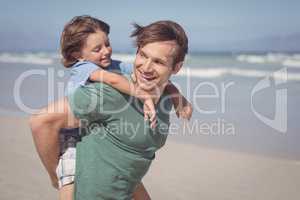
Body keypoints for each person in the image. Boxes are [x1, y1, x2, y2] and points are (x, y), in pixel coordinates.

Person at [30, 16, 192, 200]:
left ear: (176, 67)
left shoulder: (163, 98)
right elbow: (40, 121)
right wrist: (54, 176)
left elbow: (125, 160)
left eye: (158, 62)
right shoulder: (107, 92)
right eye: (143, 55)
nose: (146, 67)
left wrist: (176, 94)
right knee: (67, 176)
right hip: (75, 156)